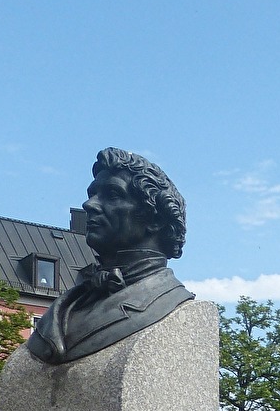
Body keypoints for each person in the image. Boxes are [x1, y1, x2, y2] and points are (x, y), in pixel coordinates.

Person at [26, 148, 193, 365]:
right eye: (92, 194)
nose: (89, 204)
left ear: (156, 220)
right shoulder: (68, 305)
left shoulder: (170, 302)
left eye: (113, 195)